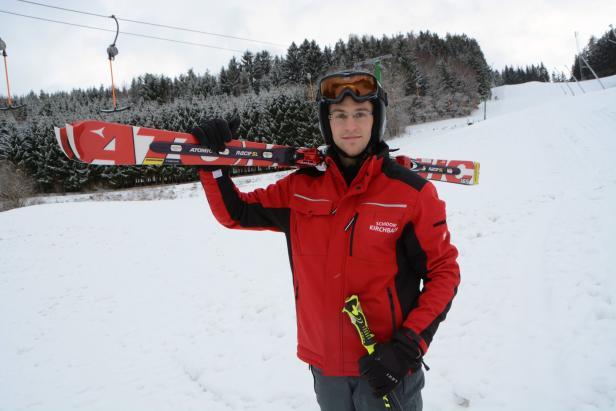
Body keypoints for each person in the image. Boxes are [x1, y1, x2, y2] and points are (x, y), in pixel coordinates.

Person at [193, 70, 460, 411]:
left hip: (386, 367)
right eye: (340, 116)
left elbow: (444, 273)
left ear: (376, 119)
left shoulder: (412, 194)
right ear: (327, 122)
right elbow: (237, 212)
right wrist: (212, 165)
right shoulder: (300, 189)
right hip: (325, 369)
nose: (350, 126)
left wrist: (408, 346)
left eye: (361, 114)